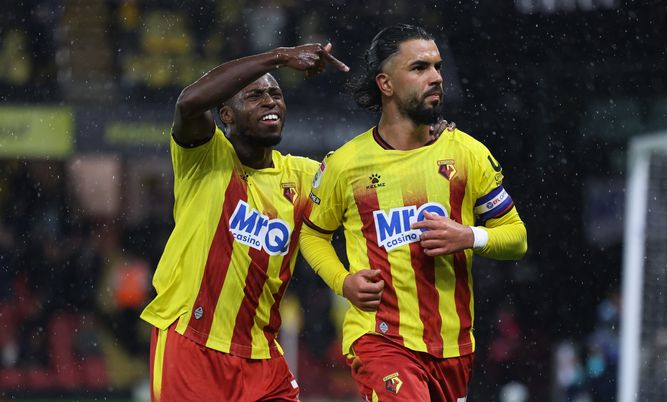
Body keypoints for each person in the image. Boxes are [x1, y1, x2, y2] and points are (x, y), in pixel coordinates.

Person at [300, 24, 528, 401]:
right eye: (419, 68)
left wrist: (469, 236)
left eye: (437, 67)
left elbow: (516, 237)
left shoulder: (466, 153)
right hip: (381, 338)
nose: (436, 77)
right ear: (385, 84)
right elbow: (312, 233)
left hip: (453, 347)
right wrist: (343, 282)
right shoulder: (345, 164)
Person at [139, 43, 350, 401]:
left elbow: (370, 180)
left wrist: (424, 137)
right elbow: (189, 103)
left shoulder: (303, 177)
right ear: (227, 115)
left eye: (275, 94)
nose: (270, 101)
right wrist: (280, 57)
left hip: (262, 355)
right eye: (254, 95)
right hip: (192, 344)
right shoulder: (205, 156)